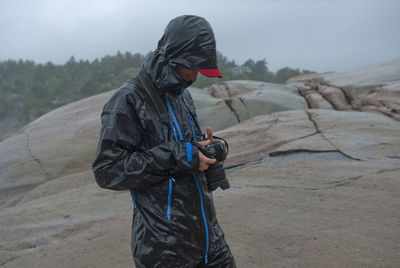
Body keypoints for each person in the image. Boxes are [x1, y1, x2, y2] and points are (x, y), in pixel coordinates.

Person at [92, 15, 236, 267]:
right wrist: (180, 156)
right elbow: (108, 171)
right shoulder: (127, 100)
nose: (194, 77)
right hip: (165, 253)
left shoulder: (181, 95)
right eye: (191, 66)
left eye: (200, 68)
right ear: (172, 58)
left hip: (211, 241)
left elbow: (188, 150)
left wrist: (211, 149)